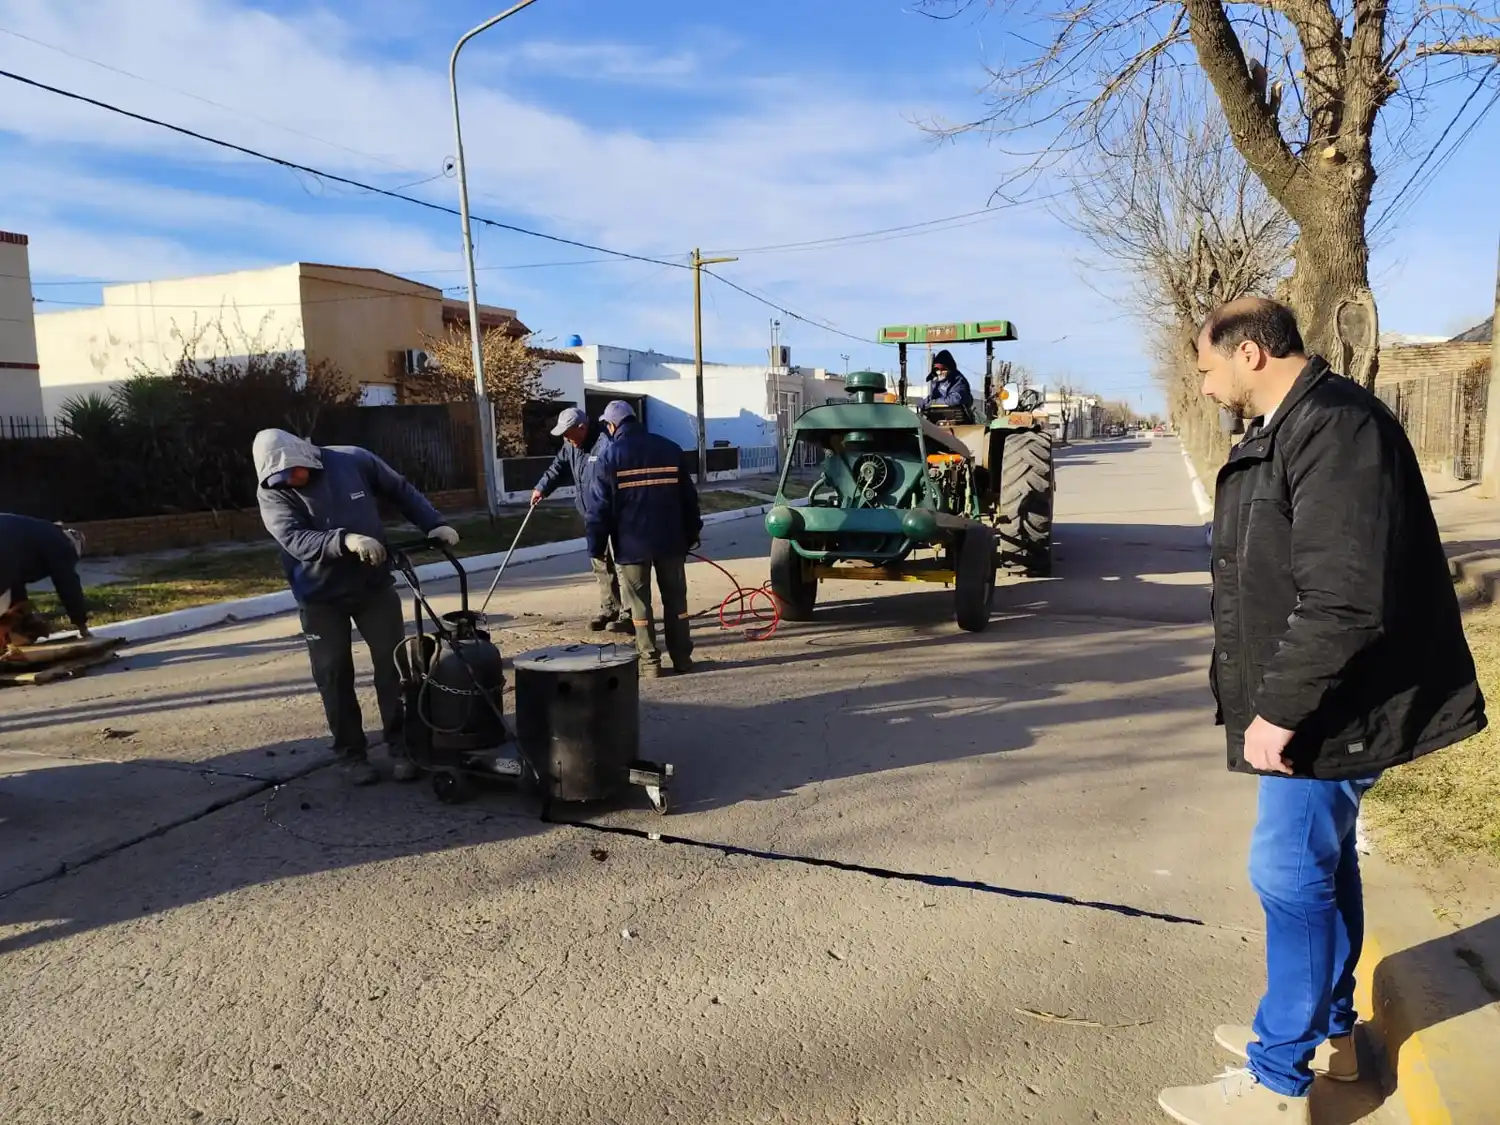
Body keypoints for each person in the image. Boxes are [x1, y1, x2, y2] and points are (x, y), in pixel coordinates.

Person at [1157, 298, 1485, 1125]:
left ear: (1252, 352)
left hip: (1336, 704)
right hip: (1326, 697)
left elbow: (1343, 598)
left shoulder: (1336, 428)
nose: (1201, 384)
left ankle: (1277, 1079)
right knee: (1324, 863)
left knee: (1288, 871)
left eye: (1206, 366)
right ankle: (1333, 1035)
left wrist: (1278, 710)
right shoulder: (1295, 426)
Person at [253, 429, 460, 786]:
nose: (288, 481)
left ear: (307, 457)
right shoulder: (272, 493)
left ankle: (401, 746)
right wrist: (345, 540)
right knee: (333, 674)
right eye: (279, 479)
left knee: (394, 665)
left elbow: (400, 490)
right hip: (319, 595)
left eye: (292, 472)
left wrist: (434, 523)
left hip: (372, 586)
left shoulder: (352, 460)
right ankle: (351, 754)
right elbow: (294, 539)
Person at [585, 400, 703, 678]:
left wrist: (596, 546)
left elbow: (598, 509)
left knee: (639, 604)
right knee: (676, 602)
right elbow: (689, 499)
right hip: (671, 542)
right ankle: (683, 659)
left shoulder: (610, 456)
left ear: (613, 425)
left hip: (631, 545)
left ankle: (650, 663)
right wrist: (692, 532)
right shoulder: (670, 448)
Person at [531, 406, 629, 634]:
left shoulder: (606, 442)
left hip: (615, 514)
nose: (565, 438)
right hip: (591, 514)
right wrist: (541, 488)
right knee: (600, 563)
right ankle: (610, 608)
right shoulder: (570, 446)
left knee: (623, 565)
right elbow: (557, 467)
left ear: (582, 427)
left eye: (568, 433)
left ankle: (629, 614)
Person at [0, 513, 90, 645]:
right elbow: (68, 584)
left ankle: (13, 634)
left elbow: (15, 585)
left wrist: (20, 614)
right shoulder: (63, 544)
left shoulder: (38, 534)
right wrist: (81, 623)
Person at [920, 349, 974, 419]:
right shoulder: (937, 381)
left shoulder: (958, 381)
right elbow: (933, 397)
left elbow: (956, 399)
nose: (940, 372)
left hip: (956, 417)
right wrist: (923, 403)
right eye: (937, 370)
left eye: (943, 369)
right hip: (937, 417)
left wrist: (934, 402)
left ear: (950, 368)